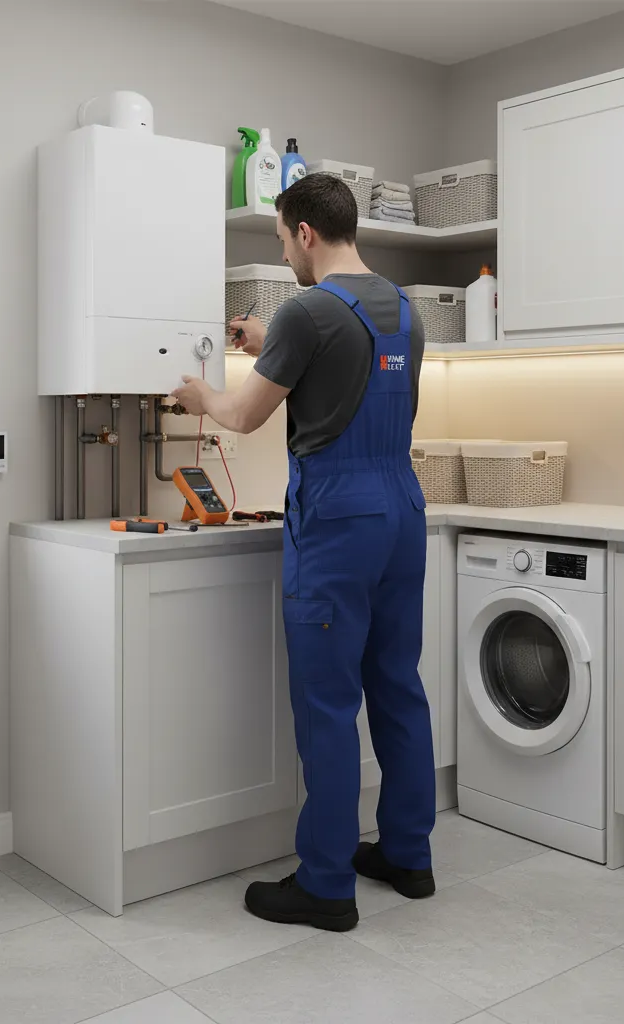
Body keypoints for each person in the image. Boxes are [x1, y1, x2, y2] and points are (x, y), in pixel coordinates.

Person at [172, 173, 436, 933]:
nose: (285, 252)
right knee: (396, 686)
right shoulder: (407, 310)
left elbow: (245, 416)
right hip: (402, 510)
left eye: (283, 239)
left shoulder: (307, 311)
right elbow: (340, 364)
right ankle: (408, 856)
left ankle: (325, 884)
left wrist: (202, 398)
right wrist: (270, 343)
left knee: (327, 704)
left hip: (338, 522)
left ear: (305, 233)